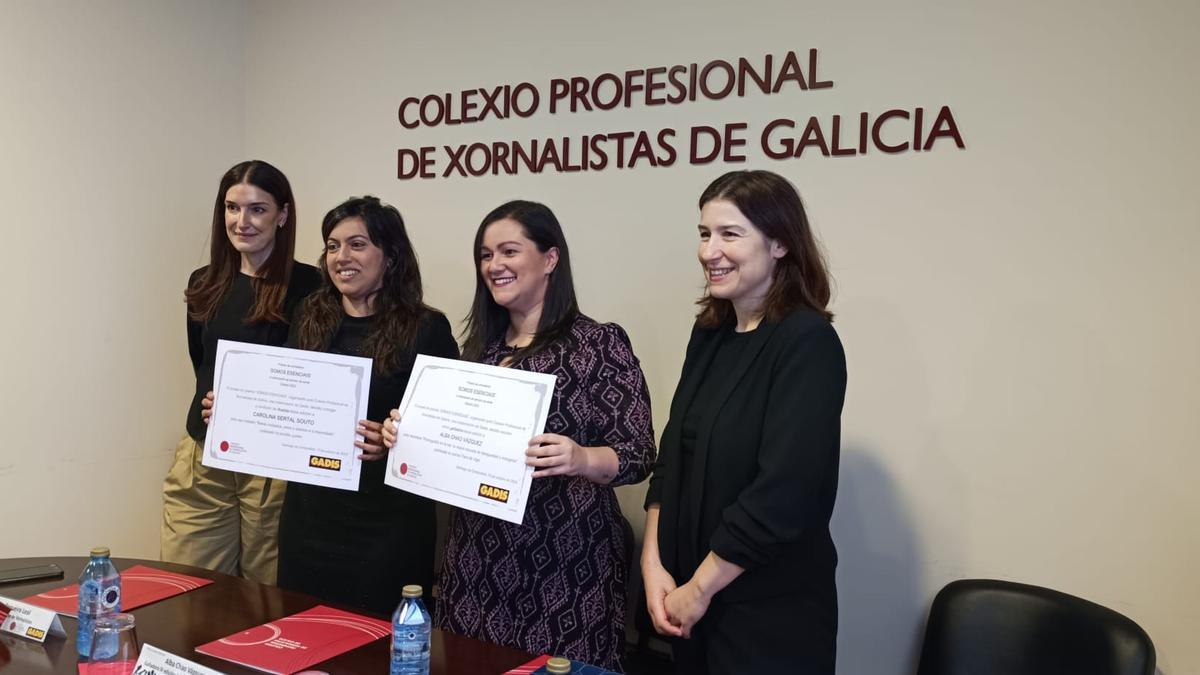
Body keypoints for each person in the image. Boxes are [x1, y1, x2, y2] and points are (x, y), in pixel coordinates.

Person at [382, 200, 655, 670]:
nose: (494, 266)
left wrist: (581, 458)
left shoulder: (598, 343)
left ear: (550, 259)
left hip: (567, 565)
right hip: (476, 560)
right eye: (485, 256)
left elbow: (639, 452)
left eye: (509, 251)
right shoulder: (479, 352)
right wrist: (406, 433)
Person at [641, 170, 847, 674]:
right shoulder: (710, 333)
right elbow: (670, 458)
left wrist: (700, 587)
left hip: (768, 615)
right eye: (704, 233)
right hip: (690, 601)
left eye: (730, 234)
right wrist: (652, 563)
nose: (710, 250)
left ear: (779, 243)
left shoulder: (807, 343)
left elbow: (784, 491)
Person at [273, 196, 458, 615]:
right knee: (303, 633)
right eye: (332, 246)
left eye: (357, 244)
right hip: (309, 516)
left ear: (390, 255)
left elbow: (446, 430)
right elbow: (286, 397)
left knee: (380, 643)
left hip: (387, 522)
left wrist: (394, 439)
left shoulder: (426, 327)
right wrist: (232, 411)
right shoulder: (308, 314)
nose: (341, 257)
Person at [162, 160, 320, 584]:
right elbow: (202, 363)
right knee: (188, 586)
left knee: (264, 593)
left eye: (257, 209)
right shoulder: (205, 282)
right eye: (232, 208)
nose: (242, 221)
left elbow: (317, 378)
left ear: (282, 215)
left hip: (274, 467)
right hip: (203, 456)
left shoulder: (312, 287)